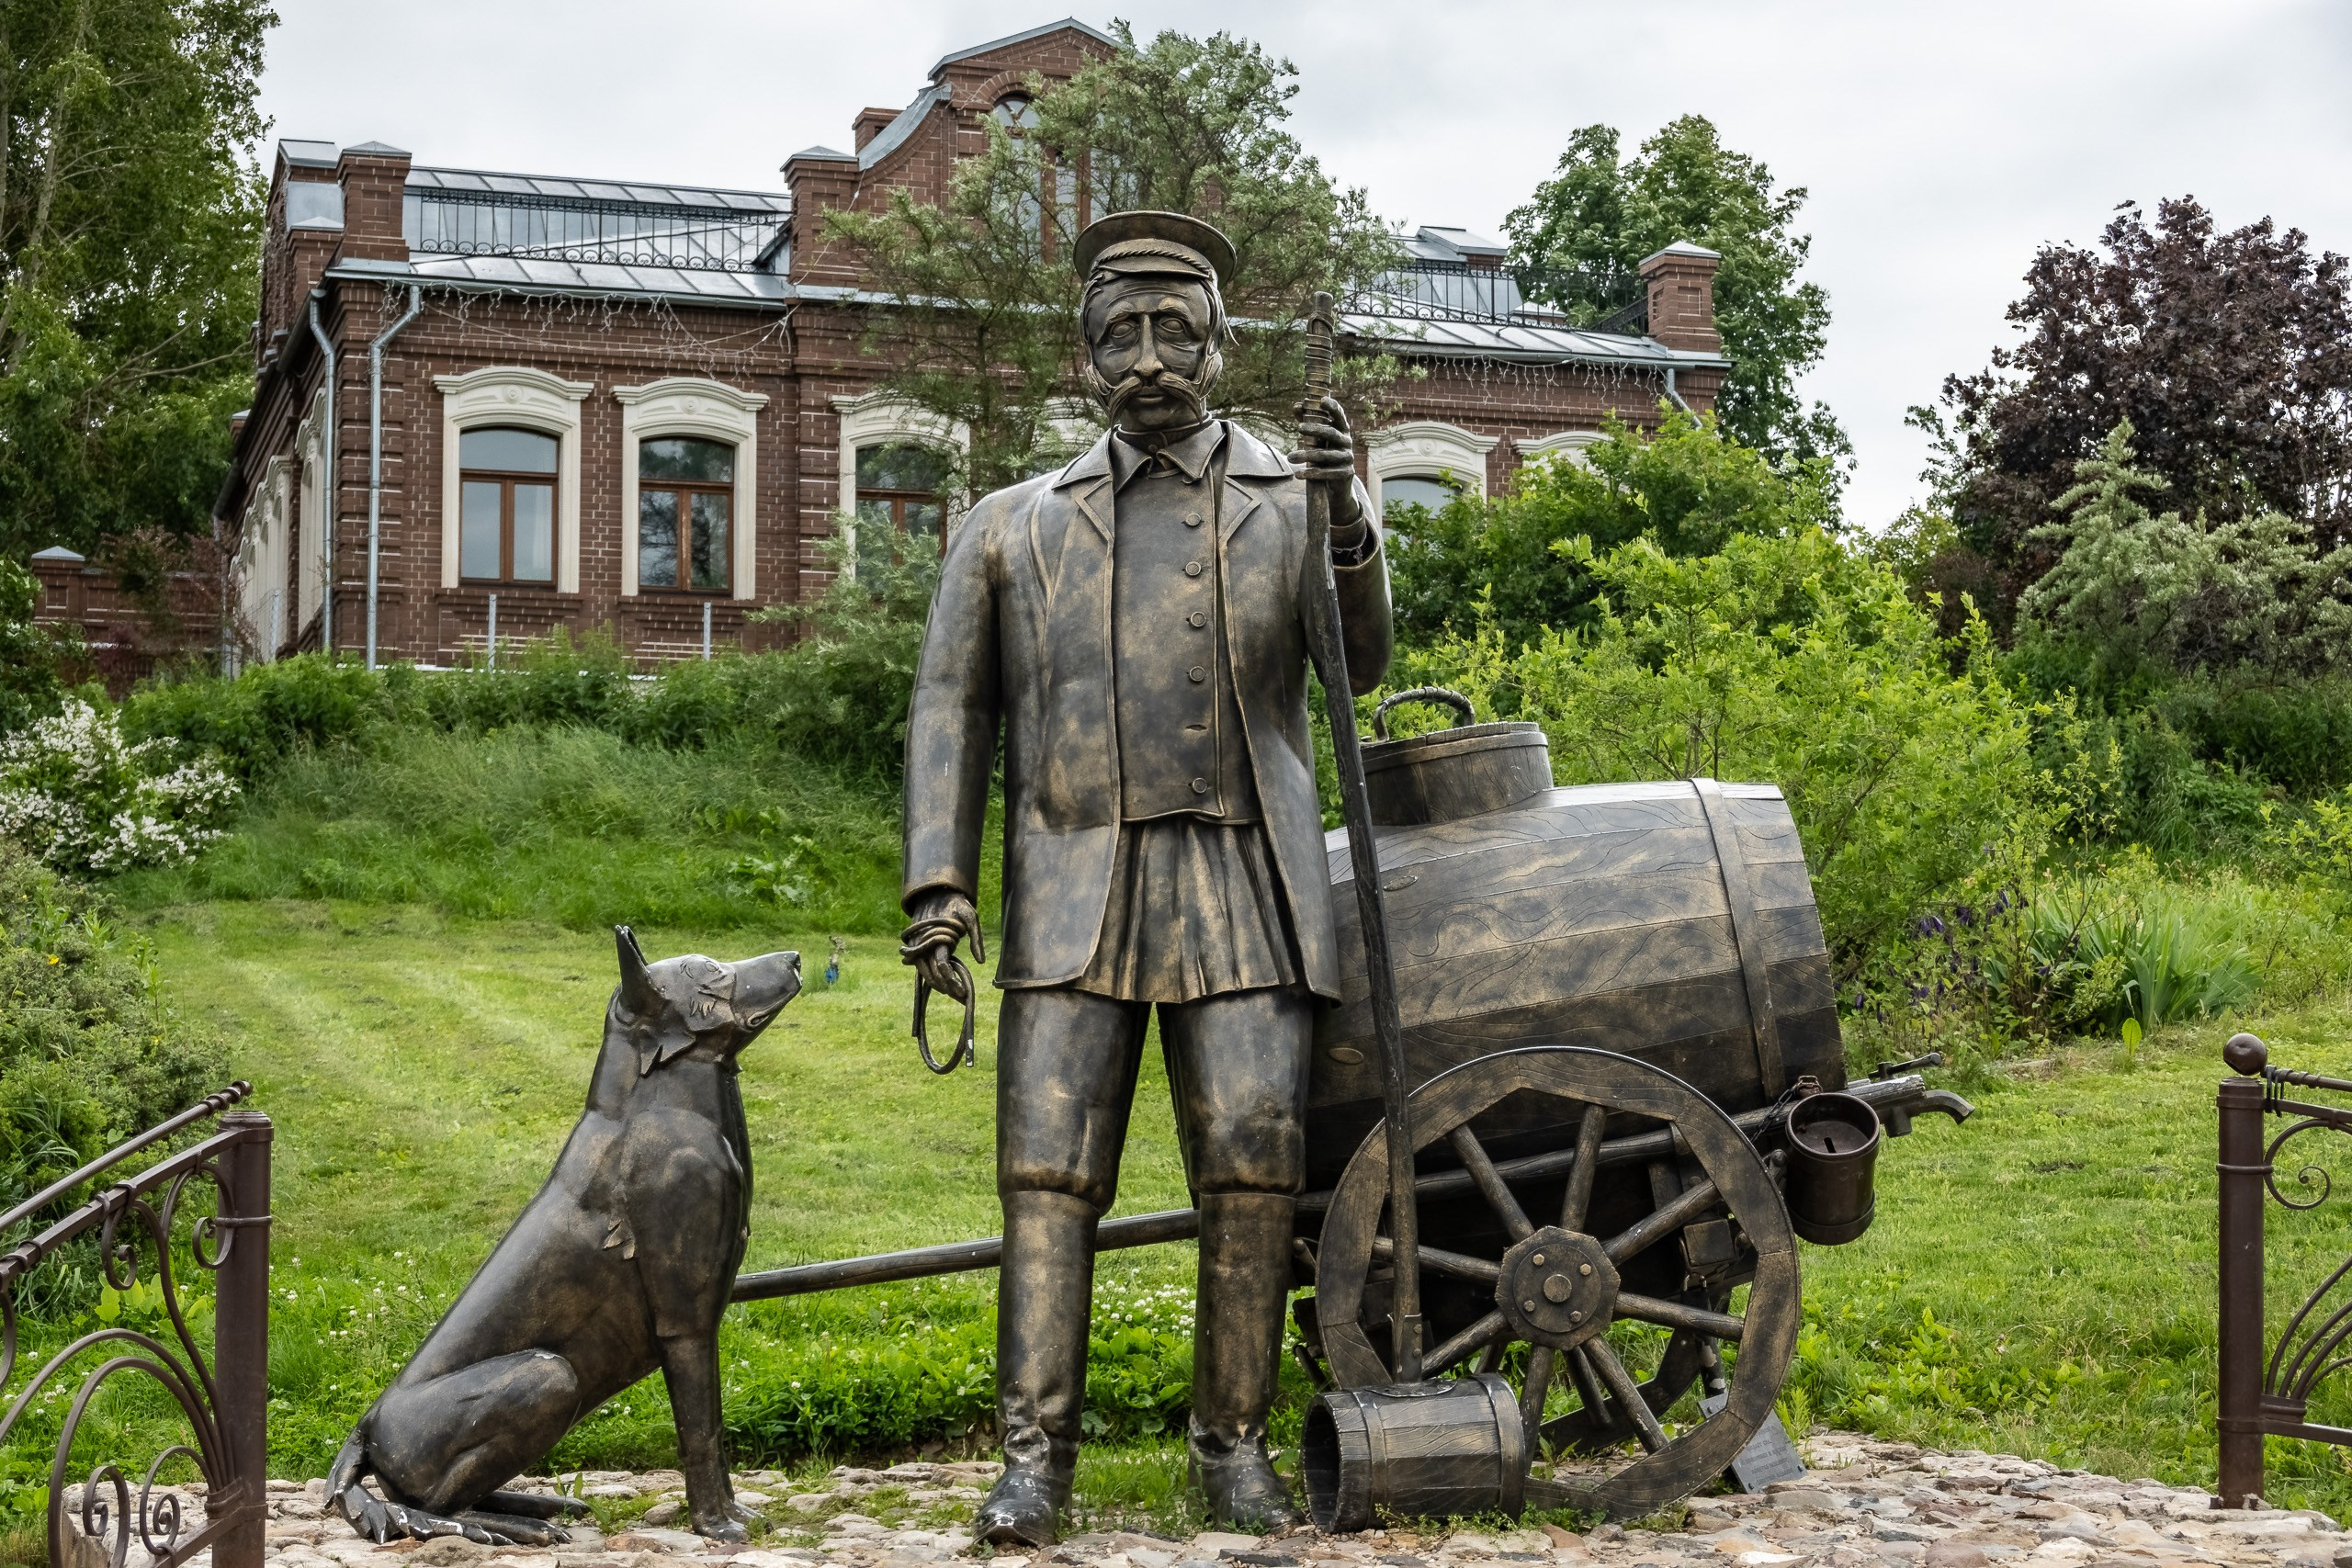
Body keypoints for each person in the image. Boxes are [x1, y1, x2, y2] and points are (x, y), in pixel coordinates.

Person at [899, 209, 1389, 1544]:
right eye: (1123, 333)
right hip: (1076, 882)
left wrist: (1348, 518)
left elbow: (1359, 667)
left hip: (1247, 874)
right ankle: (1034, 1464)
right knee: (1047, 1175)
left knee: (1251, 1166)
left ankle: (1232, 1451)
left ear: (1221, 345)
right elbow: (950, 710)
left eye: (1177, 331)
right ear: (1085, 353)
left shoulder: (1295, 500)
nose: (1151, 359)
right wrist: (939, 889)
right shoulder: (1008, 528)